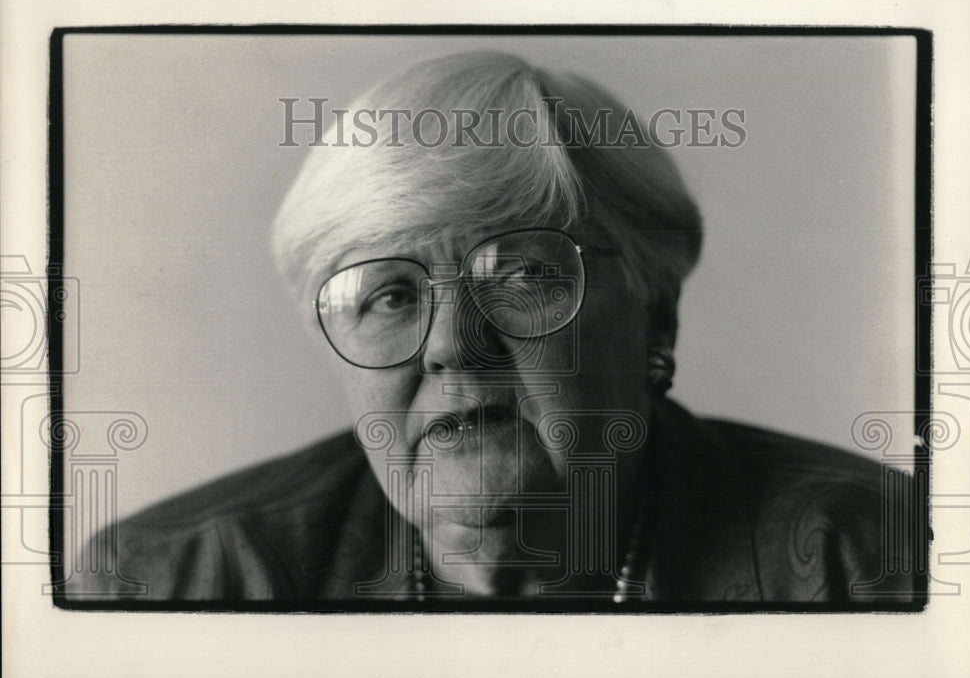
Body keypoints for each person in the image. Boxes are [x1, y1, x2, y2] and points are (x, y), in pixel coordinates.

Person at [68, 51, 919, 605]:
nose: (450, 346)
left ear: (657, 311)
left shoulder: (870, 560)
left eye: (523, 276)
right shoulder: (167, 582)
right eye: (389, 296)